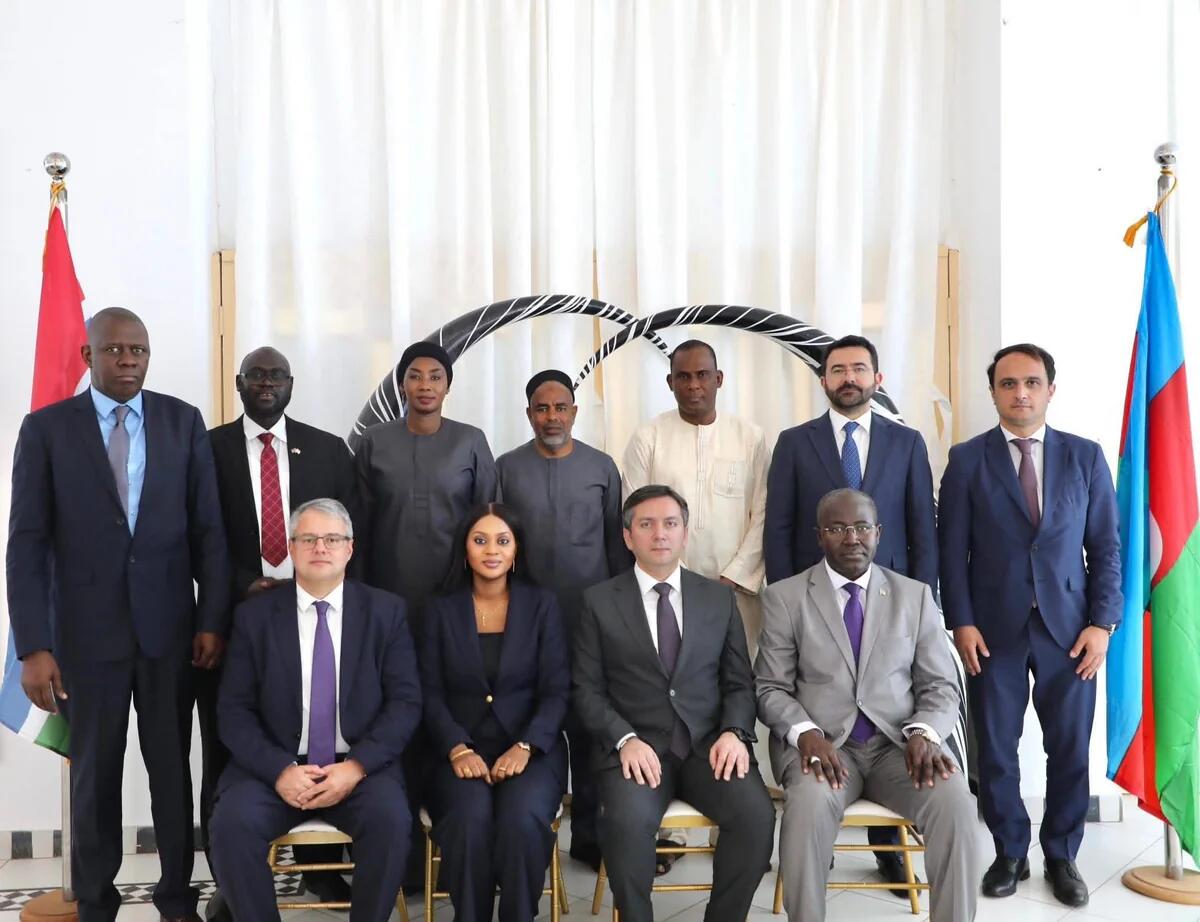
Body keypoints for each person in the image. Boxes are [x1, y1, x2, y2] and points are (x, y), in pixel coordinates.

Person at [7, 307, 230, 922]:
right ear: (88, 356)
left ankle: (176, 899)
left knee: (171, 772)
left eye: (139, 350)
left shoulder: (182, 422)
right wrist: (33, 647)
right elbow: (26, 543)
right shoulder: (47, 429)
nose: (128, 360)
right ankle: (97, 905)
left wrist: (211, 620)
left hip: (170, 635)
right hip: (84, 640)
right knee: (94, 778)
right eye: (114, 350)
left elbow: (209, 532)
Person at [938, 343, 1121, 908]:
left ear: (1050, 390)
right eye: (1009, 383)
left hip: (1071, 631)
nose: (1021, 393)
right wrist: (961, 622)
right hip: (992, 631)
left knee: (1069, 748)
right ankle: (1009, 851)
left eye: (1032, 382)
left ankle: (1061, 855)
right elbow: (952, 553)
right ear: (993, 392)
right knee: (996, 747)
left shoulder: (1085, 457)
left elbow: (1106, 547)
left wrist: (1103, 624)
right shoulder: (967, 460)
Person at [763, 333, 938, 889]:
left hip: (892, 609)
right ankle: (820, 844)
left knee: (885, 718)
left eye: (859, 369)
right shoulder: (795, 443)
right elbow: (779, 527)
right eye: (838, 370)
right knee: (832, 716)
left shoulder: (907, 442)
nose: (848, 378)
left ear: (876, 379)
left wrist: (924, 602)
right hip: (817, 606)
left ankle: (888, 847)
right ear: (823, 380)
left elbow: (922, 527)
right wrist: (785, 598)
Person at [756, 489, 979, 922]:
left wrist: (924, 732)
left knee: (955, 802)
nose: (851, 538)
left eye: (861, 527)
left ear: (878, 533)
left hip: (900, 749)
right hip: (824, 751)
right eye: (837, 528)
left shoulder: (914, 596)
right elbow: (769, 688)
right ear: (819, 535)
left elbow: (941, 684)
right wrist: (806, 734)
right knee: (807, 808)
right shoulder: (785, 597)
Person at [210, 498, 421, 922]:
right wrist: (280, 770)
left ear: (350, 548)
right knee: (231, 825)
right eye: (308, 539)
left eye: (332, 539)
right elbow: (233, 711)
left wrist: (356, 767)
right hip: (275, 768)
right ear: (291, 547)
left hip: (358, 767)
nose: (320, 547)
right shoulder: (254, 617)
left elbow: (405, 703)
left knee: (391, 822)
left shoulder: (386, 612)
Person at [204, 346, 361, 915]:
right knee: (229, 749)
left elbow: (349, 532)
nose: (266, 382)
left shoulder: (327, 449)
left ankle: (324, 873)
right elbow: (200, 533)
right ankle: (231, 885)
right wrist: (242, 584)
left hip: (316, 614)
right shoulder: (209, 448)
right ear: (239, 383)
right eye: (256, 374)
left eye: (277, 375)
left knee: (318, 732)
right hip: (235, 620)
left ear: (291, 384)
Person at [572, 485, 776, 922]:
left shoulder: (717, 598)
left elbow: (739, 683)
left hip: (708, 749)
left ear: (685, 532)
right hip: (636, 751)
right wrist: (624, 739)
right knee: (625, 826)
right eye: (646, 524)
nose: (659, 534)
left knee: (756, 818)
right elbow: (585, 690)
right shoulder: (598, 601)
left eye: (670, 523)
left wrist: (735, 733)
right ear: (628, 537)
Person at [355, 340, 498, 889]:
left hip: (455, 608)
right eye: (414, 376)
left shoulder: (471, 441)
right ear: (402, 385)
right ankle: (405, 858)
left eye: (435, 376)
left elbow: (489, 525)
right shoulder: (374, 443)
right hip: (387, 605)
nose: (424, 385)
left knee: (453, 715)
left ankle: (460, 852)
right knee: (394, 719)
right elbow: (359, 529)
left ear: (447, 385)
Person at [496, 369, 631, 870]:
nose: (551, 417)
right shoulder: (507, 468)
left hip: (590, 620)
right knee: (533, 723)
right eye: (541, 408)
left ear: (574, 412)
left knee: (591, 728)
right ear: (528, 414)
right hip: (527, 623)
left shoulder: (602, 467)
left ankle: (590, 837)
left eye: (560, 407)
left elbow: (617, 549)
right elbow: (495, 545)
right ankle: (527, 832)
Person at [421, 503, 570, 921]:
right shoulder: (438, 608)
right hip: (456, 750)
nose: (492, 550)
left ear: (516, 549)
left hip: (530, 750)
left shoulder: (542, 605)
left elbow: (558, 691)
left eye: (503, 541)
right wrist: (456, 747)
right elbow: (427, 692)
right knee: (469, 820)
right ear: (464, 548)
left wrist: (526, 745)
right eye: (480, 540)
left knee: (521, 820)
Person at [621, 340, 769, 654]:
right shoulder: (648, 438)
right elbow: (635, 516)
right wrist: (679, 578)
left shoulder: (750, 437)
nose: (693, 385)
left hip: (737, 591)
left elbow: (764, 513)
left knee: (738, 670)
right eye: (683, 377)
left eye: (702, 375)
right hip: (668, 589)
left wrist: (733, 578)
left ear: (719, 379)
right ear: (670, 382)